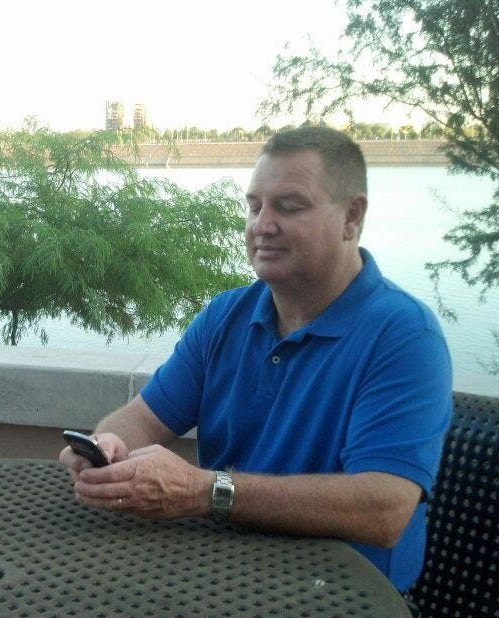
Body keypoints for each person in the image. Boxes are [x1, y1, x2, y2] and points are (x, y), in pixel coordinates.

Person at [60, 126, 452, 593]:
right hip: (220, 576)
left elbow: (384, 508)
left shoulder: (405, 336)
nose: (262, 225)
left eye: (288, 207)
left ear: (352, 216)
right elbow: (145, 417)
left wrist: (208, 493)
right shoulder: (226, 315)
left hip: (345, 604)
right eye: (254, 206)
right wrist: (108, 450)